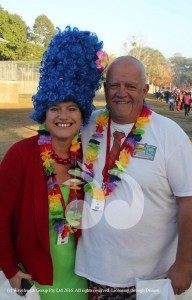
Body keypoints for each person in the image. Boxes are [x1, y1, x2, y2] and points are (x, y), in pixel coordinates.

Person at [75, 56, 192, 299]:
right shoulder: (87, 125)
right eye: (114, 85)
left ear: (144, 90)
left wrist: (184, 262)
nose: (122, 93)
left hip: (149, 279)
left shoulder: (168, 134)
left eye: (130, 86)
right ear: (105, 88)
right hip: (91, 273)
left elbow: (190, 199)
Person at [0, 26, 108, 299]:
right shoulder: (21, 155)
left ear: (82, 113)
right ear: (43, 112)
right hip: (36, 281)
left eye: (72, 108)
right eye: (55, 108)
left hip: (81, 280)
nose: (63, 116)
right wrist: (10, 270)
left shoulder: (87, 157)